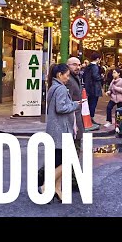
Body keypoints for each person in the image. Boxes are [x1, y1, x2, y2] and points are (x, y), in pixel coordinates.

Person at [43, 63, 81, 203]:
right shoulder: (60, 89)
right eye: (67, 74)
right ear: (60, 75)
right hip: (61, 129)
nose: (68, 77)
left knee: (59, 160)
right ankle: (47, 185)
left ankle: (57, 189)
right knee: (66, 161)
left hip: (56, 128)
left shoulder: (53, 87)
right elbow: (61, 108)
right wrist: (75, 105)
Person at [65, 57, 87, 150]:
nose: (78, 67)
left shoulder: (76, 77)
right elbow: (66, 101)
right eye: (74, 65)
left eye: (79, 65)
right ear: (67, 66)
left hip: (77, 117)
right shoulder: (68, 80)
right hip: (72, 119)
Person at [82, 52, 103, 131]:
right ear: (97, 59)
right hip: (94, 88)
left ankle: (90, 118)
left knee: (90, 103)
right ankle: (91, 119)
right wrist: (100, 77)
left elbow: (84, 76)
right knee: (93, 104)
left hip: (88, 88)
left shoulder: (88, 67)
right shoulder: (95, 67)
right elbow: (95, 76)